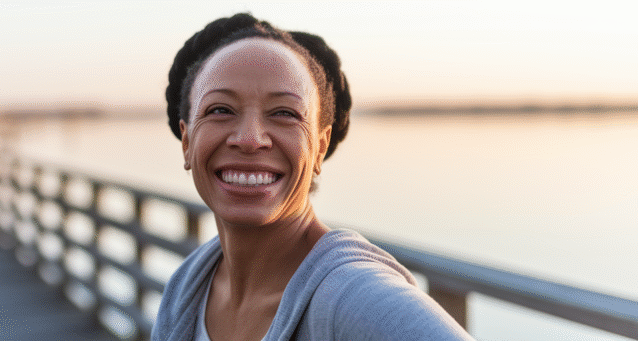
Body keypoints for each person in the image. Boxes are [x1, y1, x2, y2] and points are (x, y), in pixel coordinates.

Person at [152, 13, 475, 341]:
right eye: (220, 110)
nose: (250, 139)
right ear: (187, 142)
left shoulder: (356, 297)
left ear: (320, 147)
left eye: (284, 113)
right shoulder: (188, 288)